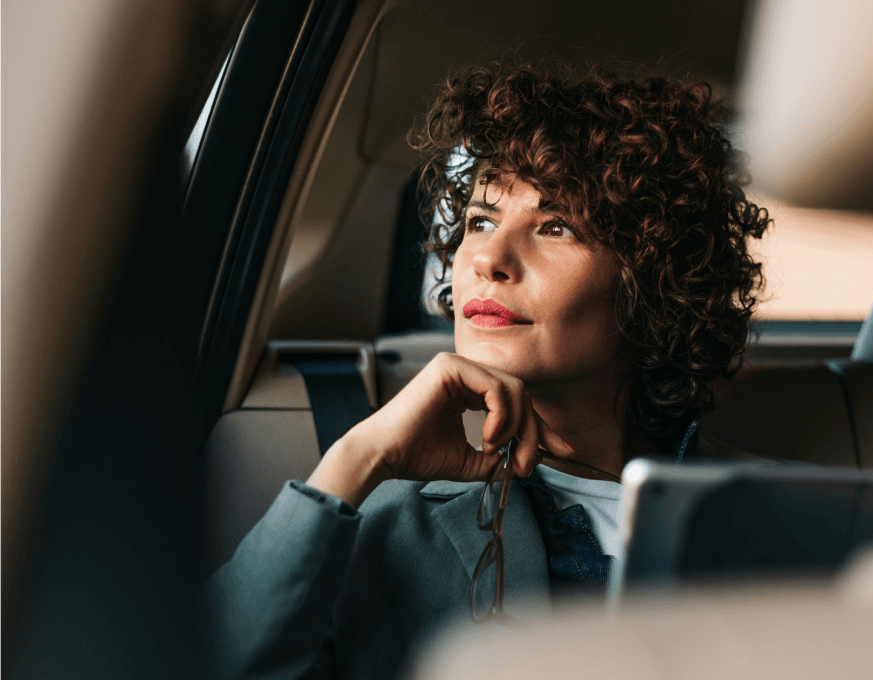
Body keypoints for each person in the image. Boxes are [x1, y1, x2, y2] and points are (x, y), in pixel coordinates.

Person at [204, 60, 769, 679]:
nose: (489, 259)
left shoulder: (776, 507)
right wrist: (358, 456)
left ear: (654, 281)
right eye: (480, 221)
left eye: (555, 226)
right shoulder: (383, 519)